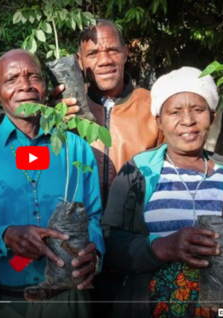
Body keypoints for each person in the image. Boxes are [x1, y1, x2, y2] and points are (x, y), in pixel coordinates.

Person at [102, 67, 223, 317]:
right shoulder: (137, 172)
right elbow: (111, 239)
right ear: (159, 120)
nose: (188, 121)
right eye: (175, 112)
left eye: (198, 110)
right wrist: (161, 247)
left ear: (212, 116)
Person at [0, 49, 104, 318]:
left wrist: (94, 257)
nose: (25, 85)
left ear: (46, 87)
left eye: (33, 76)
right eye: (12, 79)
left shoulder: (76, 149)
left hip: (68, 301)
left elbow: (94, 218)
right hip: (4, 304)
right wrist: (5, 236)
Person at [53, 19, 164, 206]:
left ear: (126, 53)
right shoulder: (65, 109)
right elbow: (31, 167)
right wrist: (45, 124)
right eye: (93, 53)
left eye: (113, 50)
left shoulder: (155, 107)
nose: (105, 61)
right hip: (80, 227)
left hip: (138, 230)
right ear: (79, 61)